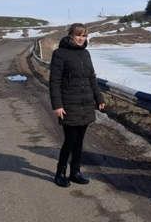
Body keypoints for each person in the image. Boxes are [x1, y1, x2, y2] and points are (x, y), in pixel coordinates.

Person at [49, 23, 105, 187]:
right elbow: (54, 82)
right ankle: (60, 172)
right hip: (68, 104)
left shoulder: (86, 54)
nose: (81, 39)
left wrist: (99, 98)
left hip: (85, 103)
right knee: (70, 140)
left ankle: (75, 172)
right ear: (70, 35)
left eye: (84, 36)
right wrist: (57, 105)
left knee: (80, 140)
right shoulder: (60, 54)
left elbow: (91, 79)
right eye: (78, 35)